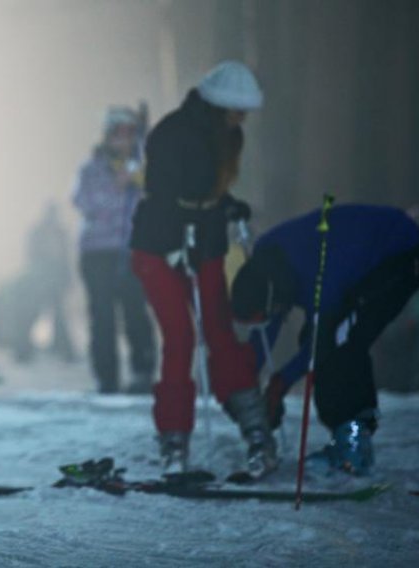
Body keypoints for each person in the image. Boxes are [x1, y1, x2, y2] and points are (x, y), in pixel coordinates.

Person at [130, 61, 277, 474]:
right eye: (238, 109)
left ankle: (256, 430)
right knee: (181, 337)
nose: (243, 118)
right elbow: (162, 194)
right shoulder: (172, 132)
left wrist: (228, 206)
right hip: (159, 248)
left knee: (221, 332)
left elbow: (206, 192)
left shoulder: (228, 133)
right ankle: (174, 442)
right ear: (219, 104)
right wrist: (175, 243)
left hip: (205, 242)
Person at [231, 204, 419, 476]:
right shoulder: (268, 267)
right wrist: (246, 384)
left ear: (273, 299)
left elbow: (319, 345)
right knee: (323, 338)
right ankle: (345, 440)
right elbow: (267, 326)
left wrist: (280, 383)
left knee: (341, 342)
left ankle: (355, 445)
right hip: (352, 262)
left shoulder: (320, 278)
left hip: (397, 254)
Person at [72, 107, 155, 393]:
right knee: (103, 317)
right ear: (108, 136)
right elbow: (84, 203)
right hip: (97, 254)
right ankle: (107, 378)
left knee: (135, 312)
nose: (123, 139)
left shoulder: (141, 168)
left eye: (130, 133)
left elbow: (156, 197)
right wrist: (116, 187)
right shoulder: (91, 168)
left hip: (133, 252)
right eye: (118, 133)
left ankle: (143, 371)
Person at [0, 202, 75, 364]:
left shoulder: (59, 233)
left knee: (56, 315)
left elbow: (64, 259)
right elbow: (34, 257)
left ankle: (58, 348)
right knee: (32, 313)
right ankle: (25, 348)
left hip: (52, 280)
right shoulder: (40, 233)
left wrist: (64, 278)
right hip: (40, 280)